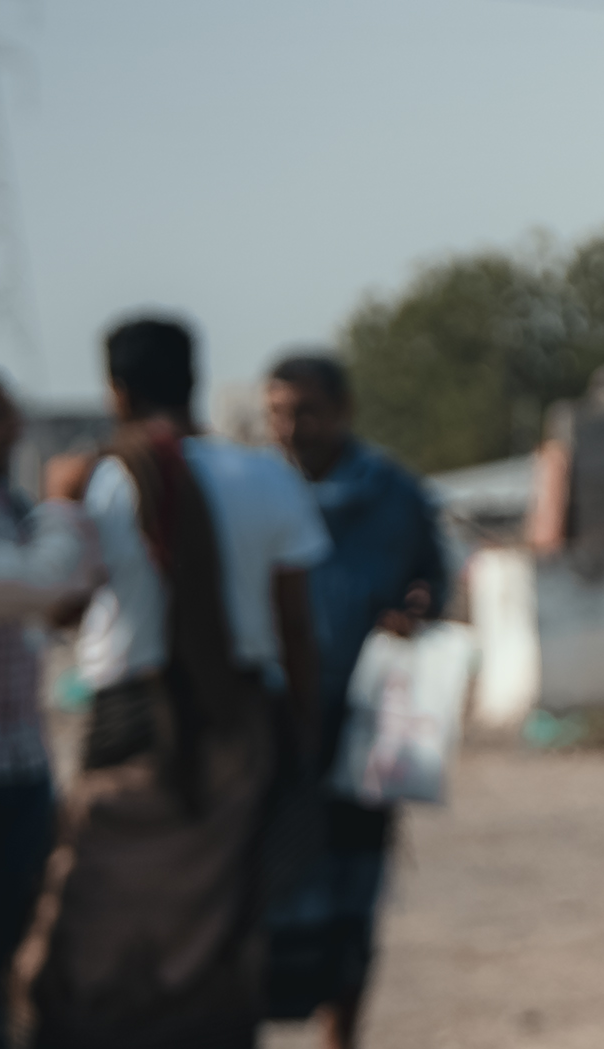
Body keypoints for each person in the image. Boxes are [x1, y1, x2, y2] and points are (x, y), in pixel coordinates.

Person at [17, 316, 325, 1049]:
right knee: (214, 927)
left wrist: (60, 501)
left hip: (128, 719)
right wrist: (303, 740)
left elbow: (60, 602)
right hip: (239, 718)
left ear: (117, 389)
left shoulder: (99, 480)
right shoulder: (264, 475)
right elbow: (297, 628)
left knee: (95, 925)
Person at [255, 354, 451, 1048]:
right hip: (269, 728)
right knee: (262, 895)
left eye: (305, 410)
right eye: (278, 411)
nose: (290, 426)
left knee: (351, 899)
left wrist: (415, 610)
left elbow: (433, 578)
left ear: (341, 412)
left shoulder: (392, 494)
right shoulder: (255, 489)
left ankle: (340, 1034)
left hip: (365, 722)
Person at [0, 375, 99, 1049]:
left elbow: (61, 598)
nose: (12, 429)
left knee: (5, 965)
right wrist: (65, 506)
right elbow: (41, 583)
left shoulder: (12, 513)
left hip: (21, 768)